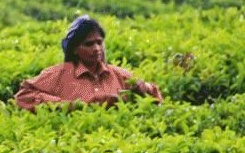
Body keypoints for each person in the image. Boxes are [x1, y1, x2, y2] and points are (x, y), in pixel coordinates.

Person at [15, 14, 163, 112]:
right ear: (74, 49)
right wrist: (62, 105)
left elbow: (156, 97)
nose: (97, 48)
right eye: (88, 44)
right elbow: (23, 95)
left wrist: (144, 89)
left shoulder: (120, 75)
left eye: (99, 42)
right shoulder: (58, 74)